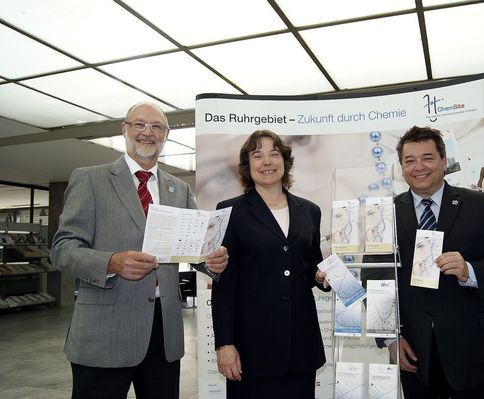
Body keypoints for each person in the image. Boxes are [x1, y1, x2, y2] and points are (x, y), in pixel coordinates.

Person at [50, 102, 229, 399]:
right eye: (139, 124)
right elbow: (62, 248)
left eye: (157, 127)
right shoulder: (90, 179)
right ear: (124, 129)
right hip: (104, 333)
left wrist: (212, 259)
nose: (148, 133)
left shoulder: (179, 189)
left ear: (166, 135)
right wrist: (111, 262)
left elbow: (195, 248)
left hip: (164, 331)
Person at [390, 126, 484, 398]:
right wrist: (390, 338)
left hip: (472, 350)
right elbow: (375, 278)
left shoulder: (479, 204)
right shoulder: (386, 213)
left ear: (443, 161)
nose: (419, 167)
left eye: (427, 157)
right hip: (415, 353)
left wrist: (470, 271)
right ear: (402, 167)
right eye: (409, 160)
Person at [211, 130, 330, 398]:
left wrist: (321, 276)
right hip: (251, 348)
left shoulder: (309, 210)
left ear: (285, 162)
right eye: (258, 155)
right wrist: (224, 344)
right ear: (247, 165)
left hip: (300, 345)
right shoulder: (230, 212)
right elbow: (223, 284)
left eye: (274, 154)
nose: (267, 162)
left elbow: (310, 266)